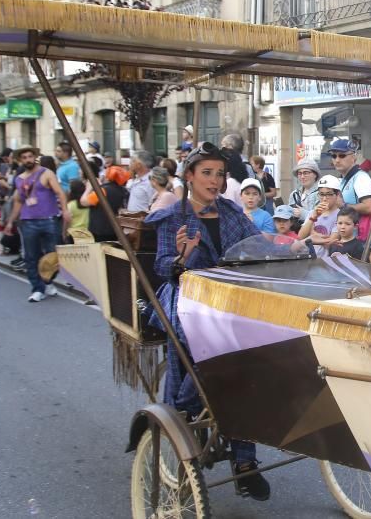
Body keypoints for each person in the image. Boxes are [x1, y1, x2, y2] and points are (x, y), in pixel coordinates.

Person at [144, 141, 270, 501]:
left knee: (261, 343)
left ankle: (245, 463)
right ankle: (188, 402)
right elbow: (163, 268)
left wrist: (294, 246)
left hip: (229, 295)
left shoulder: (231, 212)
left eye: (220, 174)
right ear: (190, 176)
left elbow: (259, 246)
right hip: (185, 293)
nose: (215, 180)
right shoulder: (173, 217)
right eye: (207, 173)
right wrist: (181, 257)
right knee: (208, 341)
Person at [2, 147, 70, 302]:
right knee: (31, 257)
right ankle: (38, 289)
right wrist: (10, 221)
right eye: (24, 157)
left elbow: (60, 192)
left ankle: (47, 281)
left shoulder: (46, 173)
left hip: (49, 219)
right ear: (21, 160)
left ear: (35, 157)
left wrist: (65, 210)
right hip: (28, 221)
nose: (28, 160)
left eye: (30, 156)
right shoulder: (19, 179)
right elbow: (19, 201)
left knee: (52, 255)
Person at [330, 138, 371, 242]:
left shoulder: (361, 177)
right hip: (346, 240)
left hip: (359, 242)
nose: (337, 160)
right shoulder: (343, 179)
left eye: (342, 155)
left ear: (353, 157)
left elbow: (369, 207)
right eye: (334, 156)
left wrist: (343, 205)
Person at [298, 174, 343, 254]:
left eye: (329, 194)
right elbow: (301, 236)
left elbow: (331, 242)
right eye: (321, 194)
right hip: (309, 257)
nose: (324, 198)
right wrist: (313, 217)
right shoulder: (313, 212)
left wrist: (312, 234)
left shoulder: (340, 215)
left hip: (327, 260)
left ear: (337, 194)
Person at [83, 164, 128, 242]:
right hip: (115, 230)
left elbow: (84, 202)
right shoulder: (124, 191)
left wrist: (88, 188)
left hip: (98, 231)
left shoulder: (103, 191)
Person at [288, 158, 321, 227]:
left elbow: (323, 218)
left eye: (306, 173)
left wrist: (303, 214)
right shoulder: (294, 194)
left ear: (315, 174)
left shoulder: (322, 193)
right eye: (300, 173)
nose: (302, 177)